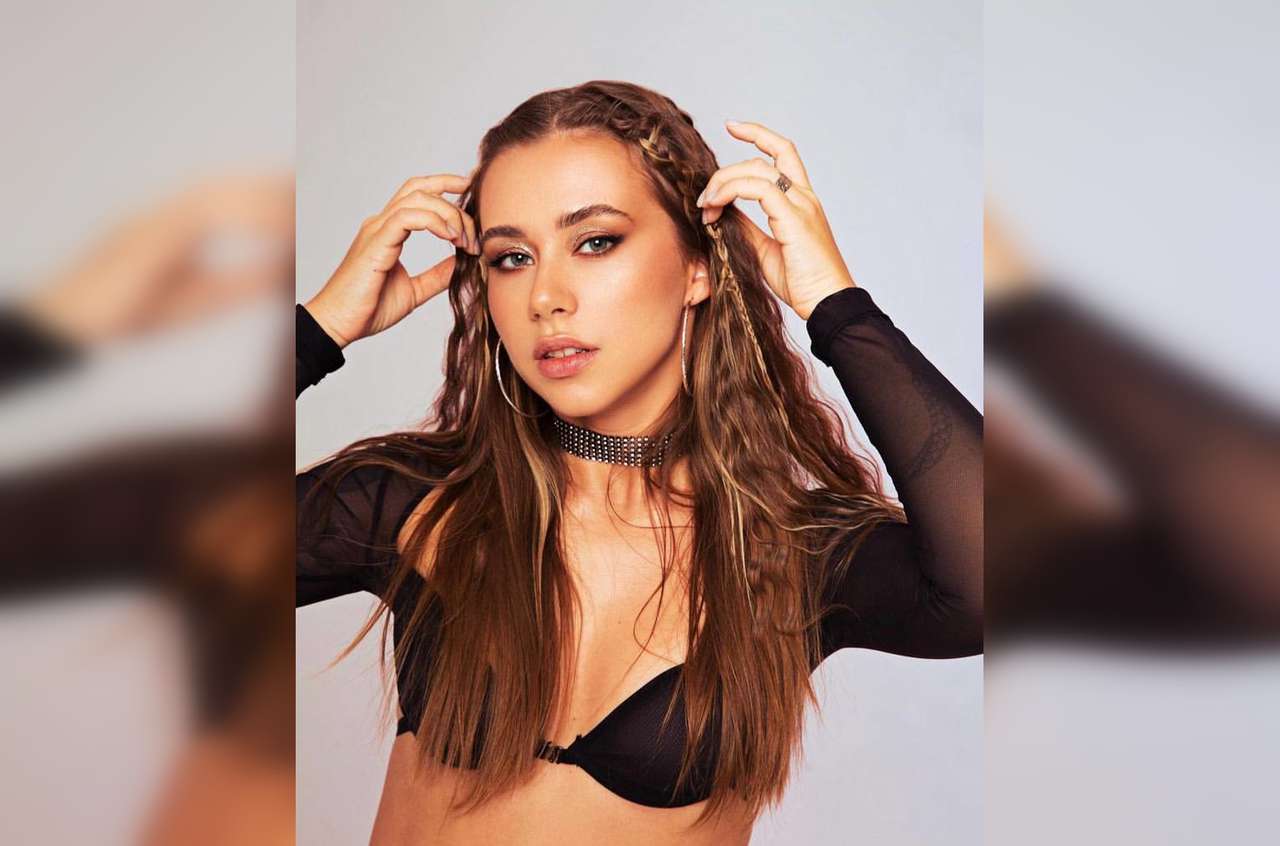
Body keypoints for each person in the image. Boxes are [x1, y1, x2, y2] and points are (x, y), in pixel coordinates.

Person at [296, 80, 982, 845]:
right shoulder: (418, 505)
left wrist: (836, 304)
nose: (546, 297)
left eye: (595, 241)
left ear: (699, 267)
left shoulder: (791, 552)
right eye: (511, 257)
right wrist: (318, 329)